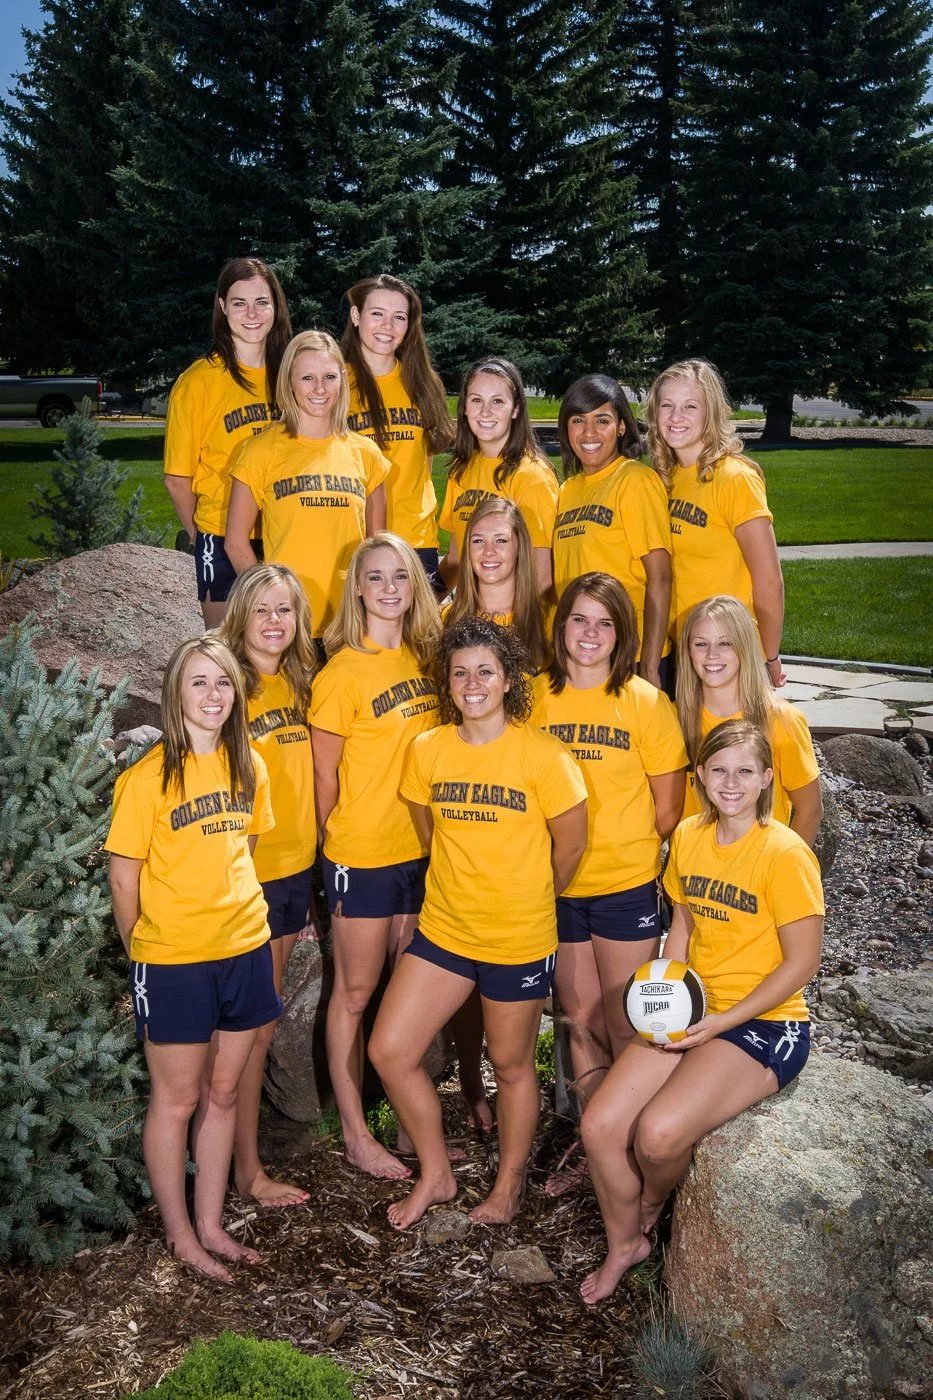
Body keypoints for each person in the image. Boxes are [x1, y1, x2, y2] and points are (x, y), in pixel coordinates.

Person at [578, 719, 824, 1303]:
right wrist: (668, 992)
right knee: (600, 1126)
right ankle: (625, 1245)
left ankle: (650, 1205)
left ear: (768, 779)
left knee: (658, 1136)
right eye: (718, 770)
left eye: (745, 771)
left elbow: (802, 964)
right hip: (697, 1007)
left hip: (766, 1022)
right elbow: (684, 919)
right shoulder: (688, 834)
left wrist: (721, 1022)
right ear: (700, 777)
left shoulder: (784, 853)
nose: (730, 783)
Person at [368, 617, 588, 1230]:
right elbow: (429, 833)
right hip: (445, 932)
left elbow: (569, 847)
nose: (472, 683)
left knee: (511, 1066)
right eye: (460, 672)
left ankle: (508, 1185)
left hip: (518, 938)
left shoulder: (545, 757)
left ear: (509, 679)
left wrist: (529, 897)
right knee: (390, 1050)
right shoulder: (427, 750)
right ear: (447, 680)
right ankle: (436, 1174)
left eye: (485, 671)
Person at [106, 637, 282, 1281]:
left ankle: (212, 1224)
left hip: (244, 948)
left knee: (225, 1091)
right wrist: (142, 955)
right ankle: (181, 1235)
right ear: (177, 694)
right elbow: (125, 880)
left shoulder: (250, 766)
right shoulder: (147, 779)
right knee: (176, 1102)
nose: (214, 696)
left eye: (224, 684)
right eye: (200, 683)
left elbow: (247, 849)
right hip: (173, 960)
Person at [531, 574, 687, 1174]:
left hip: (624, 887)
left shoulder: (646, 702)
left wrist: (624, 852)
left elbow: (668, 809)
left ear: (621, 634)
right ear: (561, 624)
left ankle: (628, 1139)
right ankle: (596, 1148)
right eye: (580, 620)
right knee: (579, 1019)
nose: (591, 634)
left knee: (627, 1022)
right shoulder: (534, 696)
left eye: (606, 622)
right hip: (559, 886)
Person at [310, 533, 445, 1179]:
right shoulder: (339, 674)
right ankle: (357, 1133)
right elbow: (323, 781)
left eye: (400, 575)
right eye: (376, 576)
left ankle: (402, 1111)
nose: (389, 587)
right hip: (361, 856)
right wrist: (324, 862)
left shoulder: (424, 659)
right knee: (355, 992)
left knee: (402, 990)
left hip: (421, 856)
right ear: (357, 588)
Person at [218, 563, 318, 1207]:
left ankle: (238, 1158)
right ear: (241, 616)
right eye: (263, 610)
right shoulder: (227, 686)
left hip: (293, 871)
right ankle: (246, 1171)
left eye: (285, 610)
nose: (275, 622)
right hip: (246, 877)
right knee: (252, 1026)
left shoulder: (303, 683)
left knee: (262, 1020)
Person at [224, 330, 389, 646]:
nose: (319, 389)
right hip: (289, 625)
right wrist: (268, 602)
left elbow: (376, 549)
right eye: (307, 378)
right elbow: (235, 542)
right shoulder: (259, 451)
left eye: (329, 377)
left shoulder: (366, 454)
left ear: (342, 379)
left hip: (349, 624)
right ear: (289, 382)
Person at [163, 257, 292, 627]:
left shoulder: (292, 375)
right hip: (219, 537)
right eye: (239, 303)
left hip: (287, 531)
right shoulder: (198, 382)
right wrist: (203, 537)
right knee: (226, 652)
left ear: (275, 306)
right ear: (222, 307)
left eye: (262, 302)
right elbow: (176, 479)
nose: (251, 313)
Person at [642, 358, 785, 686]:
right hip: (683, 650)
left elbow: (769, 581)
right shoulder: (665, 478)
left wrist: (768, 656)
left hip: (728, 653)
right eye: (667, 405)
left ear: (711, 412)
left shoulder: (734, 477)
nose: (676, 417)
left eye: (690, 406)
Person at [553, 375, 673, 690]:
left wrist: (648, 664)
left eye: (602, 420)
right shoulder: (566, 491)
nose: (589, 432)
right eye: (578, 420)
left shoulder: (634, 480)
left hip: (628, 656)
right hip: (582, 654)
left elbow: (660, 577)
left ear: (621, 427)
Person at [677, 595, 823, 843]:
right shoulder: (674, 717)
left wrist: (784, 868)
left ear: (745, 647)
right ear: (688, 651)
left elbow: (810, 811)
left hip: (758, 871)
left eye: (725, 643)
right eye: (701, 644)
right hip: (696, 871)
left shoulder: (781, 720)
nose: (712, 654)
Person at [341, 274, 454, 590]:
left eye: (399, 317)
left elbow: (426, 461)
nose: (387, 326)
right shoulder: (335, 385)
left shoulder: (422, 383)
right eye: (377, 313)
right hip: (357, 542)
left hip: (416, 540)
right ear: (355, 316)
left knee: (418, 640)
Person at [439, 358, 558, 594]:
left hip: (513, 621)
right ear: (465, 407)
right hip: (474, 617)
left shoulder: (532, 476)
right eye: (476, 400)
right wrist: (426, 605)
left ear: (515, 409)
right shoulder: (461, 471)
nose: (485, 412)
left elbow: (542, 579)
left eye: (497, 401)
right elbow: (455, 560)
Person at [444, 497, 551, 673]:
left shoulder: (550, 620)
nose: (488, 551)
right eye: (478, 540)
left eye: (501, 540)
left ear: (519, 547)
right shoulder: (444, 620)